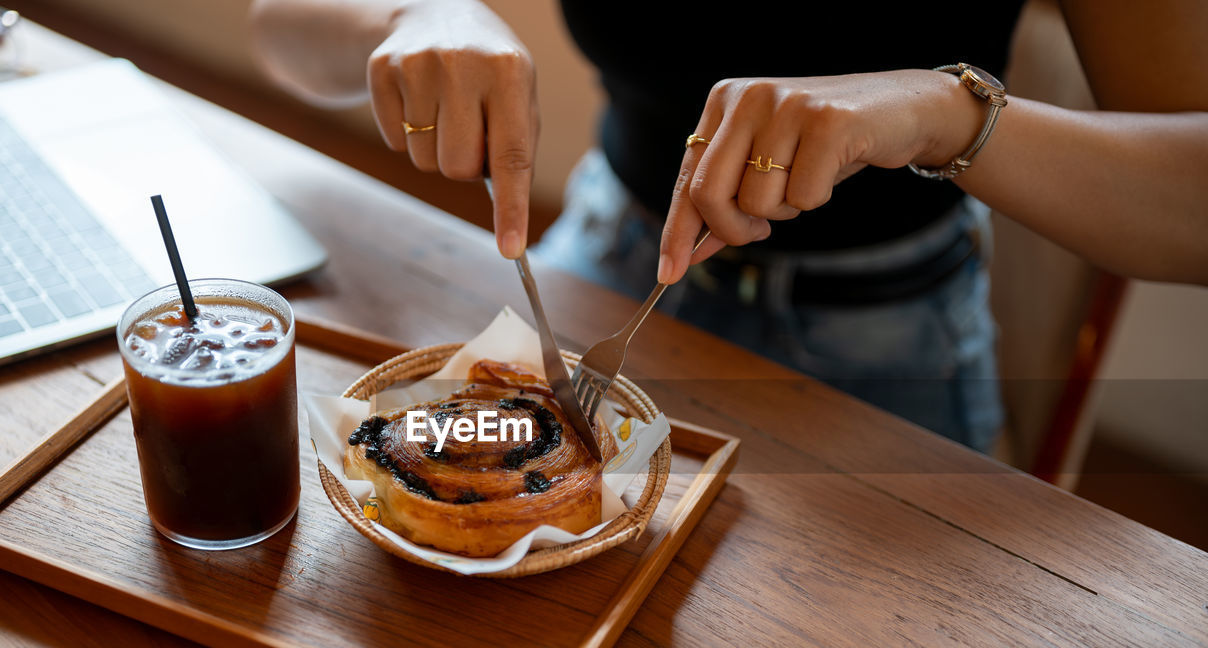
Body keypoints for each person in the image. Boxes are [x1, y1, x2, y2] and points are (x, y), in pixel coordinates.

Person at [249, 0, 1208, 451]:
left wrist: (942, 112)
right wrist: (409, 14)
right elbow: (277, 25)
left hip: (884, 347)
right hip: (603, 267)